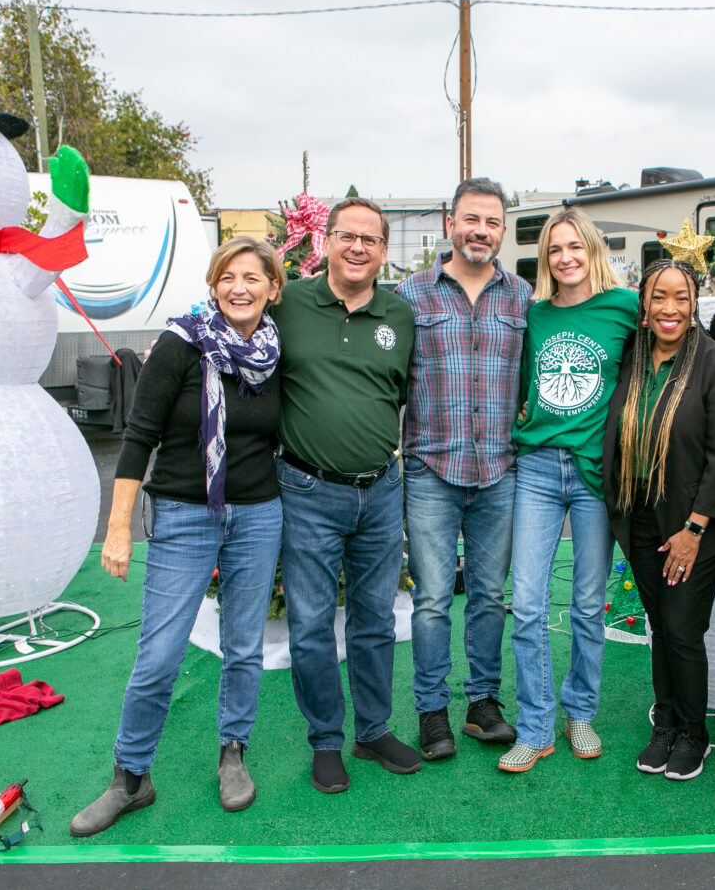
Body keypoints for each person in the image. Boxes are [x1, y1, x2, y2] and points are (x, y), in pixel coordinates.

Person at [71, 237, 285, 836]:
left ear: (273, 288)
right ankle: (130, 777)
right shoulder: (180, 344)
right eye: (228, 276)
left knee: (244, 646)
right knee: (159, 653)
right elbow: (138, 437)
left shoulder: (274, 352)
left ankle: (233, 752)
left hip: (259, 514)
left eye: (252, 277)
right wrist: (117, 529)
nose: (239, 288)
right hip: (185, 513)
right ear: (213, 283)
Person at [273, 197, 419, 794]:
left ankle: (374, 729)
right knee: (309, 624)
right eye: (346, 235)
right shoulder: (288, 302)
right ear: (325, 242)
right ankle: (325, 741)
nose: (358, 247)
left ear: (384, 250)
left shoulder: (399, 314)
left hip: (380, 492)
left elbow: (404, 392)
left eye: (370, 238)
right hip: (307, 491)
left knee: (375, 620)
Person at [498, 209, 640, 772]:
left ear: (593, 251)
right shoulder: (533, 317)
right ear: (544, 258)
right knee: (528, 605)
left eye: (575, 247)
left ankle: (580, 712)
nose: (565, 257)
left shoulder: (625, 307)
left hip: (593, 474)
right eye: (555, 249)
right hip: (535, 467)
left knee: (586, 604)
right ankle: (535, 725)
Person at [397, 177, 532, 759]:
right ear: (450, 222)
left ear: (503, 230)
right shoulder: (410, 295)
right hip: (431, 468)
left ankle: (481, 704)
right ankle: (432, 712)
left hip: (500, 471)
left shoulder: (523, 297)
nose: (481, 231)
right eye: (471, 219)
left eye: (493, 222)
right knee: (430, 599)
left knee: (487, 596)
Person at [601, 258, 715, 781]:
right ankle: (664, 724)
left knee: (683, 627)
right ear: (643, 302)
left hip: (693, 523)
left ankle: (693, 734)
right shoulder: (631, 358)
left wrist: (695, 528)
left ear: (695, 302)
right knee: (661, 627)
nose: (669, 308)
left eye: (681, 297)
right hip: (638, 515)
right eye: (659, 296)